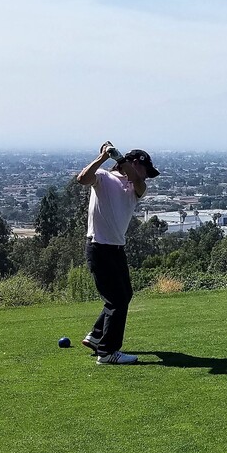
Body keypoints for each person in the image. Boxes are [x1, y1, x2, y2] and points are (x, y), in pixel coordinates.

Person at [77, 142, 160, 365]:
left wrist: (120, 159)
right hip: (99, 246)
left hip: (116, 248)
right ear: (136, 163)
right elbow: (82, 179)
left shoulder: (137, 187)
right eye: (146, 170)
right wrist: (103, 158)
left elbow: (139, 183)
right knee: (116, 300)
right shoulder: (103, 177)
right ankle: (107, 352)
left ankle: (96, 336)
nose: (147, 176)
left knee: (125, 295)